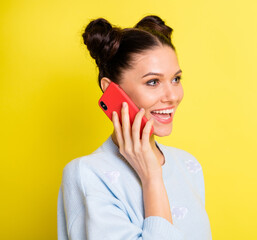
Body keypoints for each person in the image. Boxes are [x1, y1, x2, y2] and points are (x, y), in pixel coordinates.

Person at [57, 15, 212, 240]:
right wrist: (151, 178)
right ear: (111, 90)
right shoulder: (87, 174)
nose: (172, 96)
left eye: (176, 79)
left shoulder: (188, 165)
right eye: (153, 82)